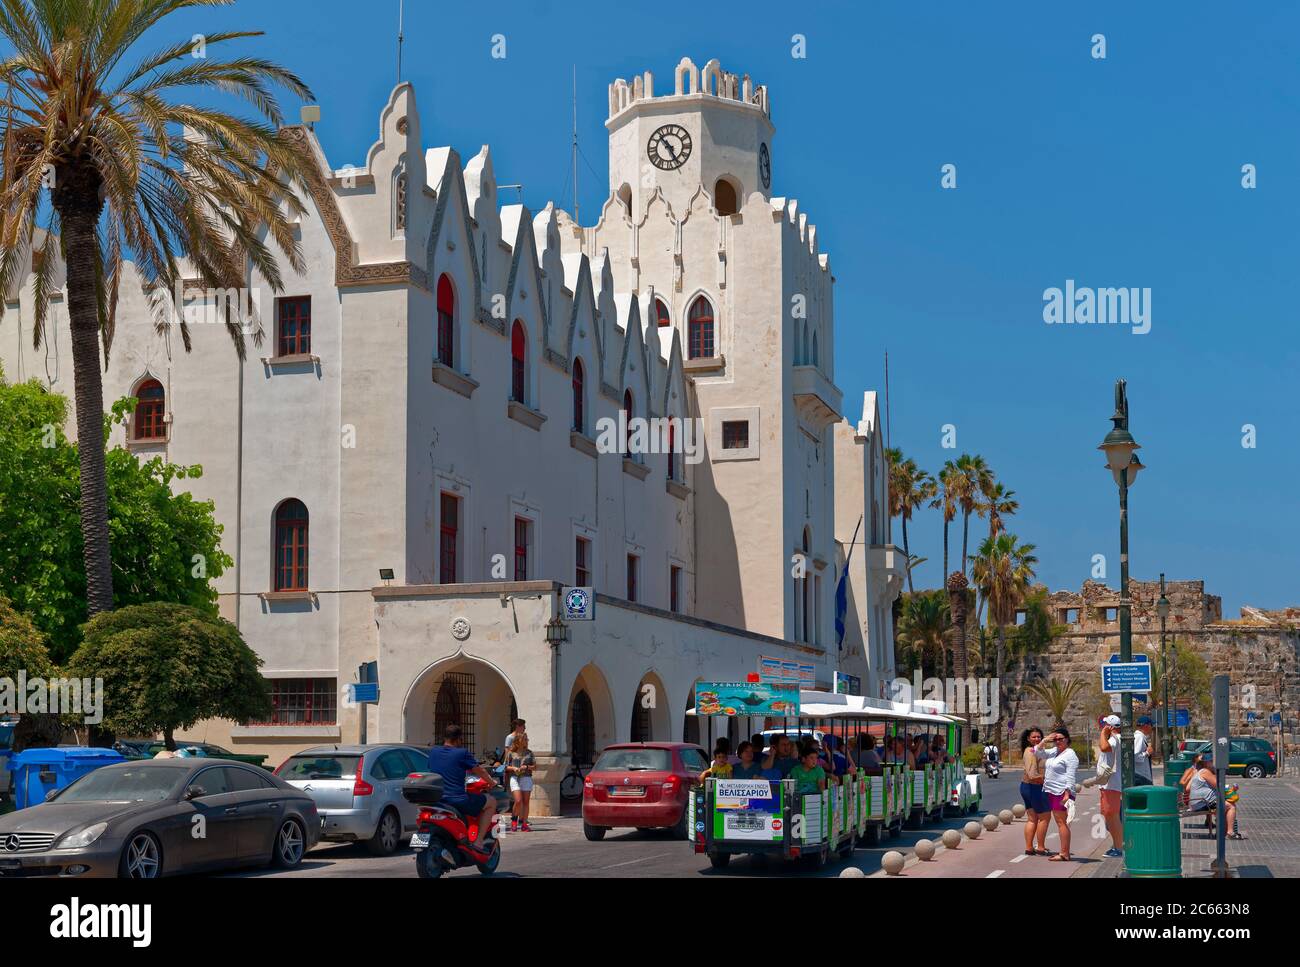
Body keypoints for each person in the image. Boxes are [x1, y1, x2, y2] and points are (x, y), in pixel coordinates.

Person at [426, 723, 498, 851]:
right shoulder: (462, 753)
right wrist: (492, 782)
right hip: (457, 799)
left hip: (437, 799)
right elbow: (479, 771)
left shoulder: (433, 751)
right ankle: (478, 842)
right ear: (459, 739)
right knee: (491, 801)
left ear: (445, 737)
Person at [1034, 728, 1079, 861]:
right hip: (1052, 791)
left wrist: (1067, 793)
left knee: (1062, 822)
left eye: (1061, 739)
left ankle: (1065, 853)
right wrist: (1045, 740)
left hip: (1061, 792)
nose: (1058, 741)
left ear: (1067, 739)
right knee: (1060, 822)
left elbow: (1070, 776)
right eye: (1056, 739)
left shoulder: (1070, 755)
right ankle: (1064, 852)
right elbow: (1038, 753)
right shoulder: (1054, 752)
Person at [1185, 754, 1244, 839]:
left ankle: (1222, 832)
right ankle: (1230, 832)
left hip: (1196, 803)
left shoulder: (1199, 771)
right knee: (1231, 806)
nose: (1214, 763)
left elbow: (1187, 788)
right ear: (1206, 763)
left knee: (1222, 808)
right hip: (1203, 803)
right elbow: (1218, 785)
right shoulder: (1206, 771)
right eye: (1212, 761)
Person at [1095, 715, 1124, 857]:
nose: (1102, 726)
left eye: (1105, 725)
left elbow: (1104, 747)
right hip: (1109, 783)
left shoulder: (1114, 739)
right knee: (1108, 814)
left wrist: (1103, 734)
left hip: (1112, 783)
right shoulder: (1115, 738)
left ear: (1110, 727)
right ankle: (1118, 845)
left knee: (1112, 815)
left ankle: (1119, 848)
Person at [1019, 727, 1050, 856]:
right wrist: (1046, 780)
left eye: (1039, 736)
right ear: (1028, 739)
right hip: (1035, 787)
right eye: (1034, 737)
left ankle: (1029, 847)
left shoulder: (1033, 750)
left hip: (1026, 787)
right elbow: (1032, 774)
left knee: (1032, 818)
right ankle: (1041, 847)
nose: (1037, 739)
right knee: (1045, 817)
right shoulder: (1031, 751)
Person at [505, 731, 536, 832]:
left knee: (526, 802)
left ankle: (524, 823)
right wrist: (514, 768)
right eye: (525, 739)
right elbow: (505, 766)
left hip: (526, 777)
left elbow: (535, 766)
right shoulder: (511, 753)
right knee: (518, 800)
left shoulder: (529, 753)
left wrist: (526, 767)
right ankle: (514, 820)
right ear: (519, 741)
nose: (527, 741)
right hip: (514, 777)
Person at [1133, 716, 1155, 785]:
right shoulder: (1139, 737)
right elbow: (1135, 756)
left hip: (1142, 775)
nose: (1152, 728)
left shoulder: (1140, 736)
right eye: (1151, 725)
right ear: (1146, 726)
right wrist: (1147, 753)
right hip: (1141, 775)